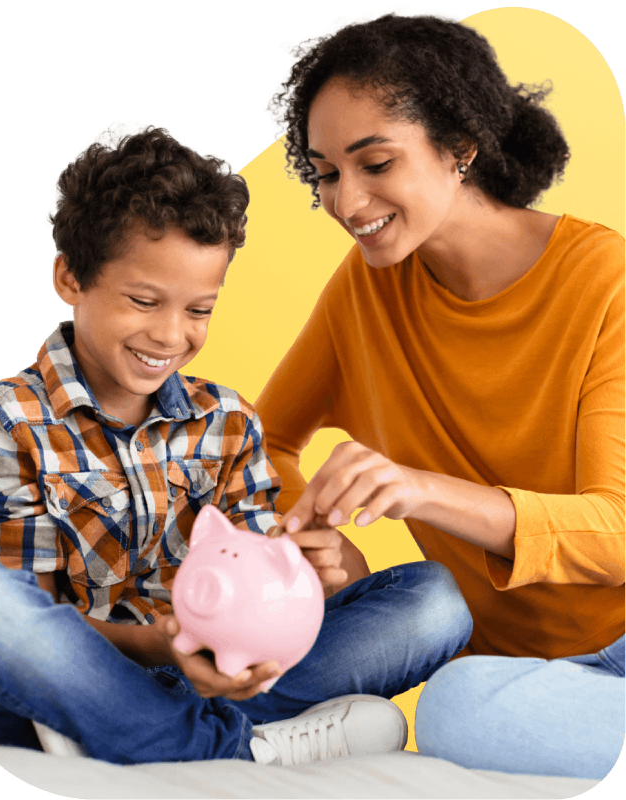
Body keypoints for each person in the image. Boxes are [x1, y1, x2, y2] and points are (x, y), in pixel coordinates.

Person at [0, 123, 472, 767]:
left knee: (435, 600)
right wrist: (166, 648)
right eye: (143, 301)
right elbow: (34, 616)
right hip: (92, 678)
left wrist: (313, 572)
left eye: (199, 310)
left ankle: (166, 740)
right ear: (69, 277)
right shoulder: (8, 420)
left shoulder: (227, 420)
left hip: (223, 677)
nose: (169, 335)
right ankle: (231, 748)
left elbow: (263, 593)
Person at [255, 11, 625, 780]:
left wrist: (421, 491)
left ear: (461, 147)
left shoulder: (606, 283)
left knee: (452, 706)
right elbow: (261, 442)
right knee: (452, 700)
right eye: (326, 173)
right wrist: (309, 537)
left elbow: (616, 534)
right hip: (515, 678)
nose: (347, 202)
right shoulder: (367, 290)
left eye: (375, 163)